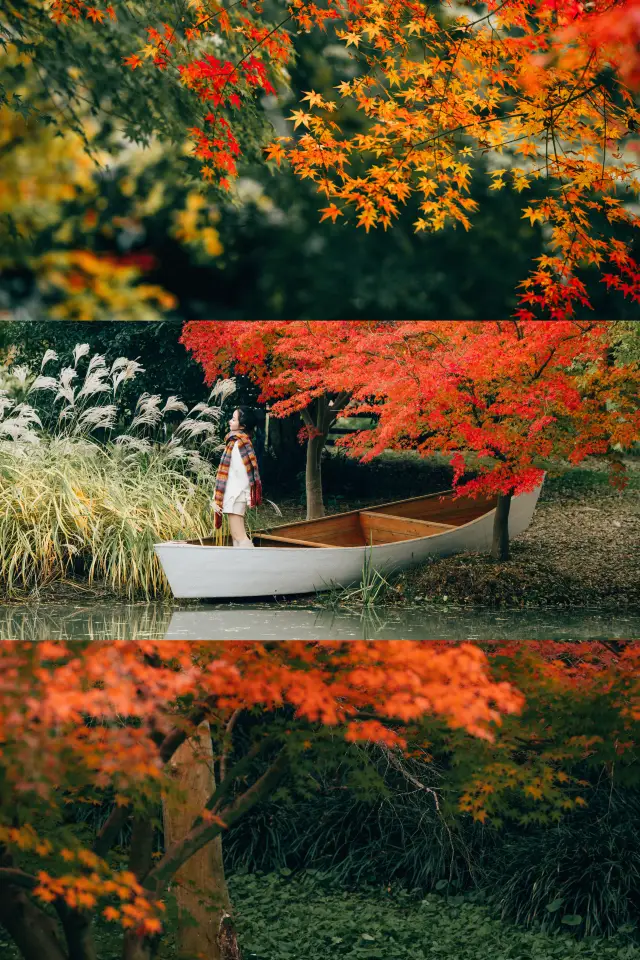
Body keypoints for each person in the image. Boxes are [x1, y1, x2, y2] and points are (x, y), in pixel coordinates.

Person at [214, 406, 263, 547]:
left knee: (239, 536)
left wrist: (239, 496)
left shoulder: (238, 444)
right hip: (234, 495)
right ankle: (242, 564)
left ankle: (252, 563)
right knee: (236, 538)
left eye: (233, 419)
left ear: (242, 425)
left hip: (235, 496)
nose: (230, 421)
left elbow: (241, 474)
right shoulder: (238, 442)